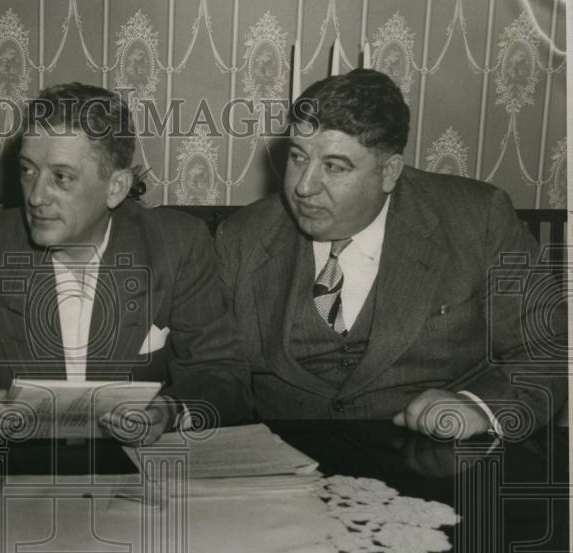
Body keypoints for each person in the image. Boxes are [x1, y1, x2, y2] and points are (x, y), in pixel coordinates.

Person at [216, 69, 566, 440]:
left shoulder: (477, 219)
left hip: (434, 463)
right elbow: (215, 368)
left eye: (334, 167)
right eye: (298, 158)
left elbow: (549, 347)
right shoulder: (241, 237)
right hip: (284, 469)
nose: (303, 187)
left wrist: (480, 406)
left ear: (389, 173)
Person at [0, 83, 248, 450]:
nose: (35, 196)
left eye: (61, 177)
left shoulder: (178, 246)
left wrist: (170, 410)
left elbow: (221, 372)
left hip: (135, 472)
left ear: (115, 188)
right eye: (27, 170)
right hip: (18, 476)